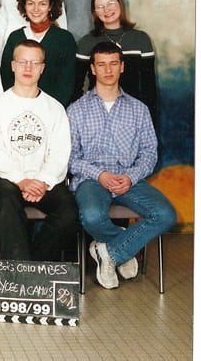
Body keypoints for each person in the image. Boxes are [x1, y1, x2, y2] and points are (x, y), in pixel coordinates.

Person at [67, 41, 175, 289]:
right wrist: (100, 174)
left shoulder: (139, 109)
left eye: (113, 64)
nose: (108, 70)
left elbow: (149, 153)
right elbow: (70, 158)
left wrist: (130, 176)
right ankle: (123, 250)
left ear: (122, 67)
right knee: (92, 216)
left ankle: (109, 252)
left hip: (129, 179)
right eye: (101, 64)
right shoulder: (76, 110)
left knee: (166, 214)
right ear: (92, 69)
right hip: (92, 181)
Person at [0, 40, 78, 261]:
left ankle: (33, 265)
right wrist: (22, 181)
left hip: (43, 180)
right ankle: (19, 269)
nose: (28, 68)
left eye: (34, 63)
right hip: (4, 178)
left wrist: (42, 181)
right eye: (22, 62)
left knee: (68, 212)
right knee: (7, 204)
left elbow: (60, 153)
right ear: (12, 65)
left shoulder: (54, 108)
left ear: (42, 68)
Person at [74, 0, 157, 120]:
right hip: (95, 113)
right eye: (100, 7)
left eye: (110, 3)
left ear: (120, 4)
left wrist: (148, 120)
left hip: (132, 114)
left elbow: (149, 88)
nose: (106, 10)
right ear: (95, 12)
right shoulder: (86, 42)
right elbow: (76, 87)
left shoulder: (141, 39)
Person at [0, 0, 76, 107]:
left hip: (52, 109)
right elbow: (6, 77)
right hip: (17, 107)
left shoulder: (64, 39)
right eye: (31, 3)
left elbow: (67, 83)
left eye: (42, 4)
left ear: (50, 6)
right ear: (24, 5)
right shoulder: (15, 37)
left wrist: (50, 109)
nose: (36, 9)